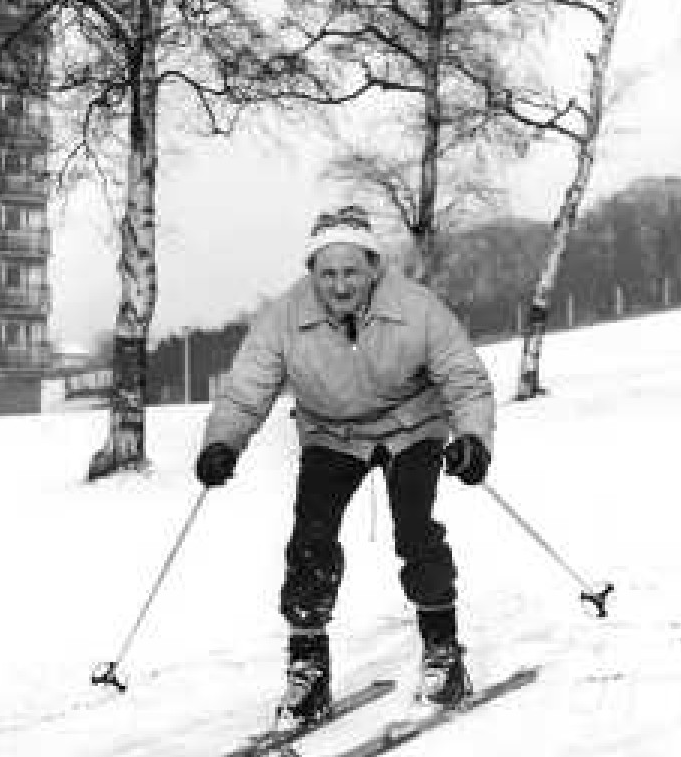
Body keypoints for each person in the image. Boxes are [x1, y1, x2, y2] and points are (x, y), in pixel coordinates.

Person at [193, 205, 496, 720]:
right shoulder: (284, 319)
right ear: (311, 273)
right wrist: (223, 443)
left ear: (373, 267)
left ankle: (443, 652)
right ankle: (308, 669)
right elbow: (247, 387)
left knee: (415, 531)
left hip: (410, 427)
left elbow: (464, 377)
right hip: (332, 433)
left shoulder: (417, 308)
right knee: (310, 539)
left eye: (351, 271)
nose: (339, 285)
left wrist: (473, 438)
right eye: (327, 273)